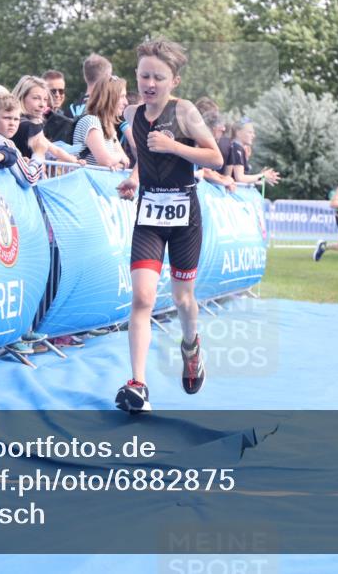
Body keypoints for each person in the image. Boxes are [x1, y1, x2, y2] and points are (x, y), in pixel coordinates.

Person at [113, 39, 223, 413]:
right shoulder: (131, 115)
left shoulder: (185, 111)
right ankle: (137, 383)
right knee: (142, 297)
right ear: (136, 76)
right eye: (144, 76)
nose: (150, 83)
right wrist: (133, 177)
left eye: (158, 77)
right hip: (149, 215)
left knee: (182, 299)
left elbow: (215, 157)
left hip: (184, 216)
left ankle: (191, 347)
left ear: (173, 81)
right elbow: (146, 156)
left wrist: (175, 146)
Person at [11, 75, 79, 165]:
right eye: (36, 98)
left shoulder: (23, 123)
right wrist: (74, 161)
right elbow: (53, 150)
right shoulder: (29, 126)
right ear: (21, 97)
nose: (42, 104)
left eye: (45, 99)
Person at [72, 76, 131, 168]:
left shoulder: (108, 125)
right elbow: (106, 161)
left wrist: (116, 162)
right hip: (87, 177)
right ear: (109, 98)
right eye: (122, 96)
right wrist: (119, 157)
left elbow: (126, 162)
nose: (126, 102)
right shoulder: (91, 121)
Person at [0, 93, 44, 187]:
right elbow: (29, 179)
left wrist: (21, 162)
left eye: (16, 119)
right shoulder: (5, 143)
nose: (12, 123)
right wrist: (38, 156)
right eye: (7, 118)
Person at [221, 119, 281, 186]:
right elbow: (240, 178)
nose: (253, 135)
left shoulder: (236, 147)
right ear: (238, 133)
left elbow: (236, 178)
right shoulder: (237, 148)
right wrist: (262, 176)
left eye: (253, 133)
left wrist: (261, 178)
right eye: (250, 132)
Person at [68, 53, 112, 118]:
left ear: (85, 77)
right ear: (106, 77)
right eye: (110, 76)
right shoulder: (108, 105)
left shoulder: (72, 108)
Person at [41, 70, 76, 145]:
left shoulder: (66, 117)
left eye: (61, 91)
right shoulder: (36, 119)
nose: (57, 95)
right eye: (53, 91)